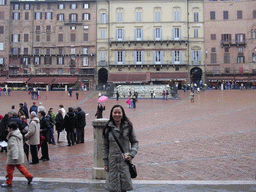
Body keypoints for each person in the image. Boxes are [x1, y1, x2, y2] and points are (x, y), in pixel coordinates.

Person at [103, 105, 138, 192]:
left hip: (124, 162)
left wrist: (132, 154)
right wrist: (105, 162)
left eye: (119, 112)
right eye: (115, 112)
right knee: (112, 188)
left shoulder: (128, 126)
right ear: (111, 114)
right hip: (112, 163)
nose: (117, 114)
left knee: (123, 188)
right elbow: (105, 146)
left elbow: (135, 142)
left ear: (122, 114)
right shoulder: (107, 128)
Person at [1, 122, 33, 187]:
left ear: (11, 129)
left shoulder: (12, 137)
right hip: (19, 154)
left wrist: (15, 157)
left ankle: (8, 181)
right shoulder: (18, 134)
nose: (8, 129)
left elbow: (14, 147)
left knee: (9, 168)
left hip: (14, 155)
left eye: (8, 128)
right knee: (20, 166)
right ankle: (28, 176)